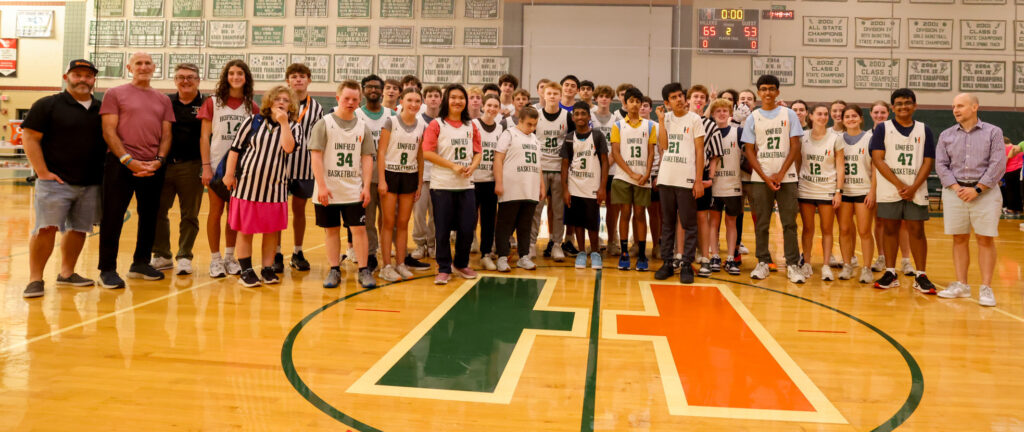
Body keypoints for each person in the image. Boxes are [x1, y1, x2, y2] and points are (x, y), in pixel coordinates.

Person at [21, 59, 106, 298]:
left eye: (88, 76)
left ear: (93, 80)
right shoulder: (47, 105)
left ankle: (67, 273)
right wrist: (43, 173)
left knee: (78, 229)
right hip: (55, 182)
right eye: (77, 74)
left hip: (90, 183)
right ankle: (35, 279)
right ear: (65, 77)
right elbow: (30, 138)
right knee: (45, 228)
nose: (83, 79)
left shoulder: (101, 108)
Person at [97, 52, 175, 288]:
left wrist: (159, 161)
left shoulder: (163, 99)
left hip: (152, 166)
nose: (143, 67)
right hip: (120, 165)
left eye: (147, 63)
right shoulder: (115, 94)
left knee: (150, 216)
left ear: (154, 68)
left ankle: (140, 263)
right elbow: (108, 131)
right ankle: (107, 269)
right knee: (112, 216)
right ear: (130, 67)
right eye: (138, 63)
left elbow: (166, 134)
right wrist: (127, 159)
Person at [222, 86, 299, 287]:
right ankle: (246, 270)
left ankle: (266, 268)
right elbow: (235, 150)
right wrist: (229, 174)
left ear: (291, 105)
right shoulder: (253, 121)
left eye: (286, 100)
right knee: (245, 231)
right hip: (247, 186)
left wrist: (283, 123)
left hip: (275, 189)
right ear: (269, 102)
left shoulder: (293, 127)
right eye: (277, 99)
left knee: (271, 232)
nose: (281, 102)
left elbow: (288, 148)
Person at [935, 93, 1005, 307]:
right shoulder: (946, 135)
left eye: (961, 106)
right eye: (954, 106)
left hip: (984, 193)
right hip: (955, 192)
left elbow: (998, 164)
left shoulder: (993, 132)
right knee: (959, 238)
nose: (956, 110)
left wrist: (977, 189)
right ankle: (962, 285)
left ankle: (986, 287)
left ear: (975, 107)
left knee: (985, 239)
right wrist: (957, 188)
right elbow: (941, 165)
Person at [309, 80, 376, 289]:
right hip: (327, 189)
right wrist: (321, 185)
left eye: (355, 99)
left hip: (352, 189)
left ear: (360, 101)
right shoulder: (324, 123)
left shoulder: (362, 126)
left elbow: (367, 158)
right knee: (331, 230)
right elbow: (316, 156)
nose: (350, 102)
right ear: (338, 98)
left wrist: (366, 186)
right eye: (346, 98)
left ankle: (364, 270)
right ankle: (334, 269)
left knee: (359, 229)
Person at [870, 88, 936, 293]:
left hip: (916, 188)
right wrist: (900, 185)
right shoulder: (883, 128)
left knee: (917, 230)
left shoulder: (924, 130)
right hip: (890, 189)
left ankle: (921, 274)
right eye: (898, 104)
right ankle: (890, 272)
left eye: (907, 103)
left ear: (915, 105)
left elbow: (928, 161)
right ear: (893, 108)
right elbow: (877, 159)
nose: (903, 107)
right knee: (889, 229)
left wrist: (914, 187)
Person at [741, 74, 804, 283]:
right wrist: (765, 177)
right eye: (764, 89)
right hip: (761, 178)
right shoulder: (753, 117)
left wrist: (781, 173)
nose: (767, 92)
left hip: (787, 178)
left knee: (789, 223)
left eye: (771, 88)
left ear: (778, 92)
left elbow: (796, 146)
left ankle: (793, 264)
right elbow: (749, 151)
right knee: (762, 222)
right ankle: (763, 261)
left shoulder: (789, 114)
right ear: (759, 93)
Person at [198, 59, 257, 278]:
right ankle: (215, 259)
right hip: (216, 166)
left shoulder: (252, 105)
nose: (235, 77)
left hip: (240, 169)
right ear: (226, 77)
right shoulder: (213, 102)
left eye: (240, 73)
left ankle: (230, 257)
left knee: (234, 215)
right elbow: (204, 137)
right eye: (231, 73)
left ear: (246, 78)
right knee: (215, 212)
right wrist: (206, 166)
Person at [423, 84, 483, 285]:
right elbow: (427, 152)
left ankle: (461, 263)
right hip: (442, 185)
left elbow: (478, 152)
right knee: (442, 229)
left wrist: (472, 167)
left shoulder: (471, 125)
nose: (457, 101)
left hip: (466, 185)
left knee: (467, 228)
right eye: (453, 97)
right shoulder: (436, 124)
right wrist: (453, 166)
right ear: (446, 100)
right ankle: (443, 267)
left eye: (461, 98)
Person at [151, 63, 205, 276]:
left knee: (190, 214)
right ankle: (162, 254)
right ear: (175, 81)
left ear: (198, 80)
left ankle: (184, 256)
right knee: (157, 211)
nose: (185, 81)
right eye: (181, 77)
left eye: (190, 77)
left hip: (192, 166)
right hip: (164, 165)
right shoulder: (165, 102)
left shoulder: (207, 104)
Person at [273, 63, 325, 273]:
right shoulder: (280, 104)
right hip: (278, 166)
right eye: (293, 76)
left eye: (302, 76)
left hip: (304, 167)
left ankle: (297, 251)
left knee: (299, 211)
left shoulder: (317, 108)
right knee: (278, 210)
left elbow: (320, 140)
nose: (298, 80)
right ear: (288, 80)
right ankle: (276, 252)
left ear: (309, 80)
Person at [652, 83, 705, 283]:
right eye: (673, 97)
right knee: (667, 224)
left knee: (689, 224)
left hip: (687, 179)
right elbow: (663, 146)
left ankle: (686, 265)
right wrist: (661, 120)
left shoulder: (695, 119)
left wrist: (698, 180)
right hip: (666, 179)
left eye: (681, 95)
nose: (679, 99)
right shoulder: (664, 120)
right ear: (667, 103)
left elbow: (700, 151)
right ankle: (667, 262)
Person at [377, 88, 427, 282]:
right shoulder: (391, 122)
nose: (413, 104)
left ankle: (400, 263)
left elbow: (421, 156)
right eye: (409, 100)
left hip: (410, 175)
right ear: (402, 101)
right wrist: (381, 179)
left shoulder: (420, 126)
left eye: (417, 101)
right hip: (390, 173)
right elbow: (381, 152)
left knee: (403, 223)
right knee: (388, 222)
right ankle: (386, 266)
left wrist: (420, 182)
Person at [610, 87, 656, 271]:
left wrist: (646, 173)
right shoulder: (618, 125)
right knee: (625, 213)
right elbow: (615, 152)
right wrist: (630, 173)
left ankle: (643, 254)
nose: (635, 104)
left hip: (642, 178)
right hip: (623, 177)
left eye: (639, 101)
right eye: (632, 101)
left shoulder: (650, 126)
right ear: (625, 103)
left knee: (639, 214)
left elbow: (652, 153)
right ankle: (624, 253)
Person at [797, 104, 845, 281]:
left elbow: (840, 166)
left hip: (827, 189)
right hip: (806, 188)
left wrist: (838, 191)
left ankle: (826, 265)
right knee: (808, 229)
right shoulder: (803, 137)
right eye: (819, 114)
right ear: (810, 116)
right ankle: (807, 262)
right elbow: (797, 162)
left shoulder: (835, 138)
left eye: (826, 114)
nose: (823, 117)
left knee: (827, 229)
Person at [354, 74, 396, 271]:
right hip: (366, 177)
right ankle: (371, 254)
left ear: (382, 90)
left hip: (389, 174)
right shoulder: (356, 114)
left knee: (389, 219)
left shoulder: (392, 114)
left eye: (377, 87)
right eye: (369, 87)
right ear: (363, 90)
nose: (373, 90)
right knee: (368, 220)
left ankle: (390, 252)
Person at [494, 106, 544, 271]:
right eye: (529, 124)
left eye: (535, 124)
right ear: (520, 120)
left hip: (530, 188)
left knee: (525, 225)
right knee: (505, 224)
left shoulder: (535, 140)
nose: (532, 128)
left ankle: (523, 256)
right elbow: (498, 159)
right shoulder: (508, 134)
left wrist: (541, 185)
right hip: (511, 188)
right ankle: (502, 256)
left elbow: (538, 165)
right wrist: (499, 182)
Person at [868, 100, 915, 275]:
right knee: (880, 222)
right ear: (871, 114)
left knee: (903, 223)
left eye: (883, 112)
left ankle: (905, 260)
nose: (879, 116)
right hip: (877, 186)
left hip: (899, 183)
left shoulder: (896, 132)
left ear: (889, 113)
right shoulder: (867, 135)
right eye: (876, 112)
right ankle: (881, 257)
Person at [561, 102, 609, 270]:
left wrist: (602, 187)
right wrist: (565, 189)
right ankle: (581, 252)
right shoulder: (569, 138)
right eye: (577, 114)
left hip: (592, 186)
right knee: (578, 222)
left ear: (589, 116)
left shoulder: (597, 136)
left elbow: (605, 162)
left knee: (592, 223)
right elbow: (564, 165)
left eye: (583, 114)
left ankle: (595, 252)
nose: (580, 117)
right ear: (573, 117)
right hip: (574, 186)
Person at [532, 82, 574, 261]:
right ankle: (531, 244)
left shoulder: (567, 116)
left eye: (555, 93)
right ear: (543, 94)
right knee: (536, 209)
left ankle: (556, 243)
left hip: (558, 168)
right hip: (539, 169)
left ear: (560, 96)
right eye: (548, 93)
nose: (551, 96)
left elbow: (573, 143)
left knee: (558, 209)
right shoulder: (536, 115)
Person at [837, 105, 878, 284]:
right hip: (844, 191)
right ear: (842, 119)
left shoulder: (870, 138)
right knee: (844, 230)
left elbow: (876, 168)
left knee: (864, 231)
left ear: (861, 118)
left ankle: (867, 268)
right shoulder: (837, 139)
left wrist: (872, 191)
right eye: (847, 116)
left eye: (854, 116)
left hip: (863, 191)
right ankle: (847, 264)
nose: (851, 119)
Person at [686, 85, 723, 276]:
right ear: (688, 100)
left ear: (705, 101)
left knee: (702, 217)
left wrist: (710, 178)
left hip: (702, 179)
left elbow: (715, 156)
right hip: (682, 177)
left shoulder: (710, 125)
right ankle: (682, 256)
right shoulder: (679, 121)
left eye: (702, 97)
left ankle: (705, 256)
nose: (698, 100)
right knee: (681, 217)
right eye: (695, 96)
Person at [707, 98, 744, 276]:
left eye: (725, 110)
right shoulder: (708, 132)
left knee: (731, 222)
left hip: (733, 185)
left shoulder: (738, 132)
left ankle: (730, 257)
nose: (722, 113)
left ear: (730, 113)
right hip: (714, 185)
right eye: (718, 111)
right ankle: (714, 255)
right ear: (713, 114)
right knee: (713, 222)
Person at [472, 95, 505, 270]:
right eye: (489, 105)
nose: (492, 109)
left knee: (488, 220)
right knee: (469, 220)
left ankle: (485, 254)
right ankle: (463, 255)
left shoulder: (500, 128)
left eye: (496, 106)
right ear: (483, 106)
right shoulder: (473, 125)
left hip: (490, 180)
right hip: (473, 179)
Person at [410, 85, 443, 262]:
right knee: (419, 213)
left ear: (440, 99)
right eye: (429, 95)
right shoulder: (417, 121)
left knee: (436, 213)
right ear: (425, 99)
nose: (433, 99)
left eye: (436, 96)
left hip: (439, 174)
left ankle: (432, 244)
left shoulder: (444, 121)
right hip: (421, 174)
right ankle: (419, 244)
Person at [591, 85, 620, 255]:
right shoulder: (590, 119)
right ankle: (594, 243)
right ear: (596, 98)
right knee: (593, 208)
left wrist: (607, 164)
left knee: (612, 207)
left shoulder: (616, 120)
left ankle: (612, 242)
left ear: (611, 99)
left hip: (612, 170)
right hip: (593, 169)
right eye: (600, 96)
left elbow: (619, 145)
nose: (603, 99)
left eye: (607, 96)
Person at [1001, 137, 1022, 215]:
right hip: (1020, 171)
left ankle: (1011, 209)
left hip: (1010, 171)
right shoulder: (1018, 147)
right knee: (1018, 191)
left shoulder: (1005, 149)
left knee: (1010, 191)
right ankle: (1018, 209)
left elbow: (1005, 161)